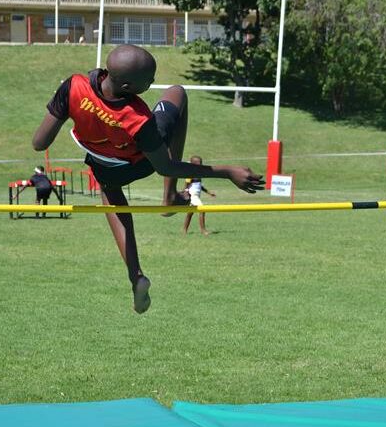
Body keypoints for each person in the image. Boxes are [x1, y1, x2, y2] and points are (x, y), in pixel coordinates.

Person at [32, 44, 263, 314]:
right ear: (129, 86)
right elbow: (166, 167)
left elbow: (39, 143)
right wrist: (227, 171)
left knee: (111, 196)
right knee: (178, 92)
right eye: (149, 80)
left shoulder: (73, 86)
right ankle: (169, 196)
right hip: (142, 163)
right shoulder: (139, 117)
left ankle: (136, 276)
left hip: (104, 166)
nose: (152, 82)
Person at [182, 155, 216, 235]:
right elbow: (187, 183)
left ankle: (184, 231)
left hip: (196, 195)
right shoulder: (190, 173)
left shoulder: (198, 173)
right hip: (193, 195)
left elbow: (199, 186)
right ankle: (203, 230)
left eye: (201, 163)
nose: (200, 164)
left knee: (190, 213)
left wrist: (208, 192)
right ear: (192, 164)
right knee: (202, 209)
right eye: (198, 163)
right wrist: (186, 192)